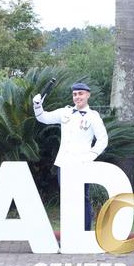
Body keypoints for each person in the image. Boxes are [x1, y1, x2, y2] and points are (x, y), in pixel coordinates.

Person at [33, 82, 107, 230]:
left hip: (82, 163)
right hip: (64, 163)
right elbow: (43, 118)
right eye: (75, 94)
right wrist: (37, 105)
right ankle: (70, 233)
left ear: (88, 95)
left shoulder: (93, 116)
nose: (77, 97)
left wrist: (90, 156)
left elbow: (103, 139)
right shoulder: (64, 112)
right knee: (67, 198)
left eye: (80, 94)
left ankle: (85, 231)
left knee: (82, 198)